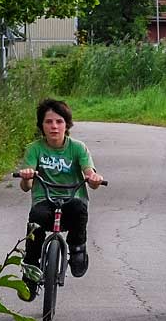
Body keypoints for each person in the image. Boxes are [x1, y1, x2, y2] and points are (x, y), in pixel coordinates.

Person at [16, 99, 105, 300]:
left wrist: (94, 178)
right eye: (48, 122)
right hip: (44, 200)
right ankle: (30, 273)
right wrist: (27, 177)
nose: (54, 127)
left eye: (59, 121)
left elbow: (90, 176)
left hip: (71, 199)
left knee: (80, 208)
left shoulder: (78, 148)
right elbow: (25, 187)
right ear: (41, 126)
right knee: (35, 221)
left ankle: (77, 250)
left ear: (67, 125)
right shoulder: (34, 149)